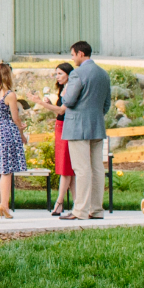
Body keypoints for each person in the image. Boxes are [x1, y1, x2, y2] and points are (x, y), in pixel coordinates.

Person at [58, 41, 113, 220]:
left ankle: (79, 210)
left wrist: (63, 95)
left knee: (81, 169)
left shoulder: (77, 74)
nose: (72, 58)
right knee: (97, 168)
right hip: (97, 124)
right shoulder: (103, 74)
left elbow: (69, 101)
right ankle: (96, 209)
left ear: (81, 54)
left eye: (73, 55)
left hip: (77, 126)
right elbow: (106, 104)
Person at [23, 61, 78, 215]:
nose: (57, 77)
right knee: (66, 169)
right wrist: (48, 104)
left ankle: (60, 202)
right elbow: (59, 114)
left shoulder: (70, 91)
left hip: (67, 130)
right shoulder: (63, 91)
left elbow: (62, 111)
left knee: (66, 169)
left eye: (60, 73)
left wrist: (41, 103)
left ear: (68, 74)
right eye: (56, 74)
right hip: (60, 128)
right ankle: (77, 204)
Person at [0, 64, 31, 218]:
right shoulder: (10, 95)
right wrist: (22, 132)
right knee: (7, 171)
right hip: (7, 132)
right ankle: (5, 205)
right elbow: (15, 118)